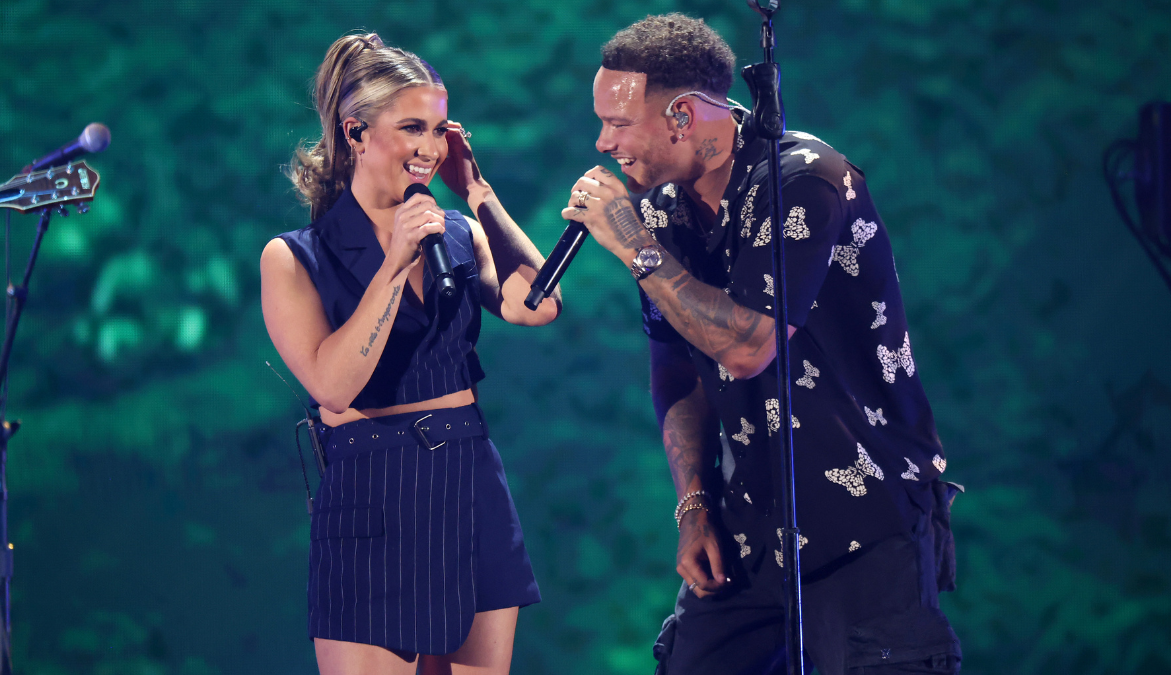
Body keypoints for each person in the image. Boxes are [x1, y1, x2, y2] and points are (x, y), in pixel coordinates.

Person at [562, 14, 962, 675]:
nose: (604, 142)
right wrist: (694, 502)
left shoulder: (804, 179)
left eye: (619, 123)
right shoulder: (660, 205)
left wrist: (633, 246)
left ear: (684, 116)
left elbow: (748, 346)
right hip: (753, 527)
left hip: (862, 521)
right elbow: (677, 363)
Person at [260, 33, 559, 675]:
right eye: (411, 128)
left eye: (439, 130)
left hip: (470, 482)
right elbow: (332, 385)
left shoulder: (455, 232)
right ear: (356, 133)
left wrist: (477, 191)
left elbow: (536, 306)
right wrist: (393, 265)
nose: (429, 149)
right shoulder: (294, 258)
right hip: (372, 495)